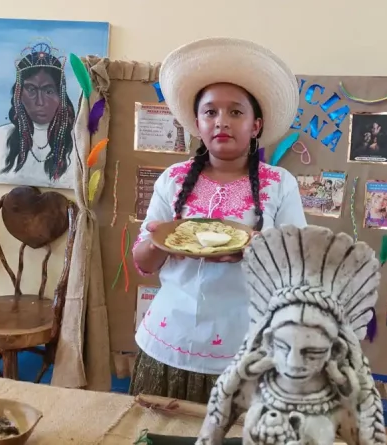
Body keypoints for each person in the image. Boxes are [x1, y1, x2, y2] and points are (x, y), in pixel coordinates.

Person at [129, 37, 306, 403]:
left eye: (235, 112)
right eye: (210, 112)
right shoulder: (173, 179)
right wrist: (157, 240)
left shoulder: (280, 184)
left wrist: (258, 251)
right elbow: (143, 262)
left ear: (256, 125)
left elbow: (297, 266)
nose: (221, 121)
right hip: (169, 340)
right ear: (197, 123)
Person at [0, 41, 75, 188]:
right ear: (19, 95)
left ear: (61, 96)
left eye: (49, 91)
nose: (40, 102)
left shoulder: (79, 144)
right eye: (31, 90)